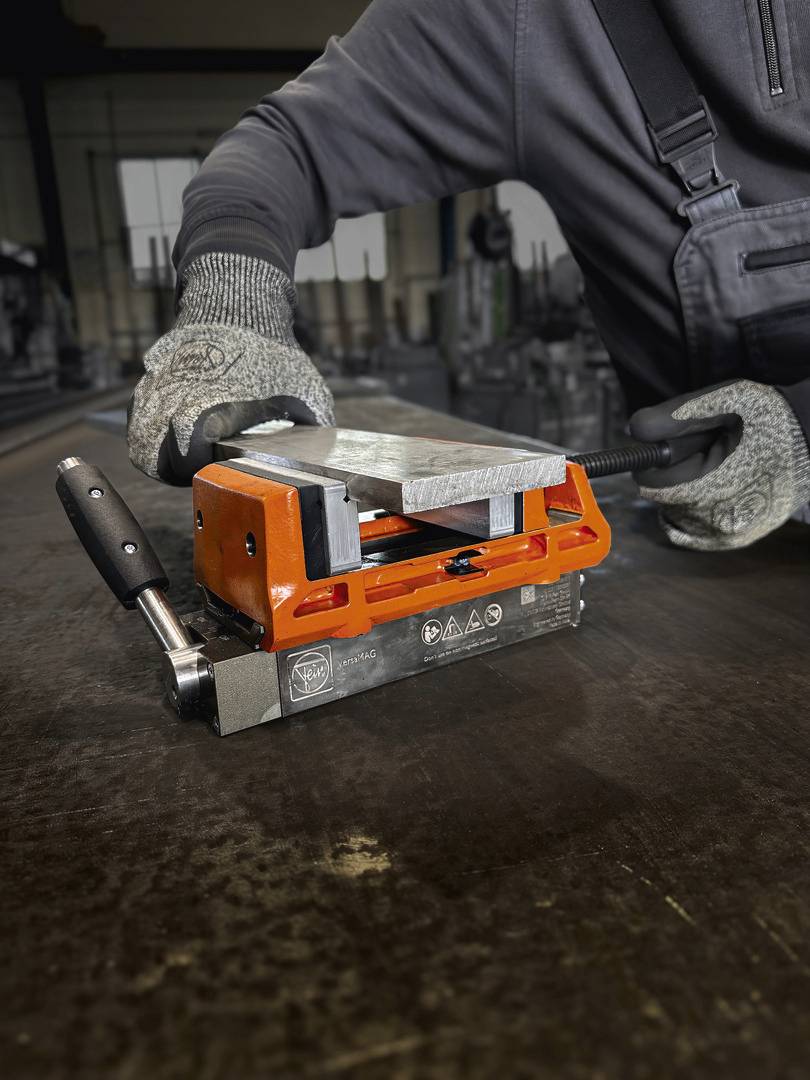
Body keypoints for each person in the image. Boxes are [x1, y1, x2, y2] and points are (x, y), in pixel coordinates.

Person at [127, 0, 810, 551]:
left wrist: (803, 434)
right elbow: (285, 150)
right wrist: (232, 305)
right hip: (723, 588)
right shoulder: (523, 18)